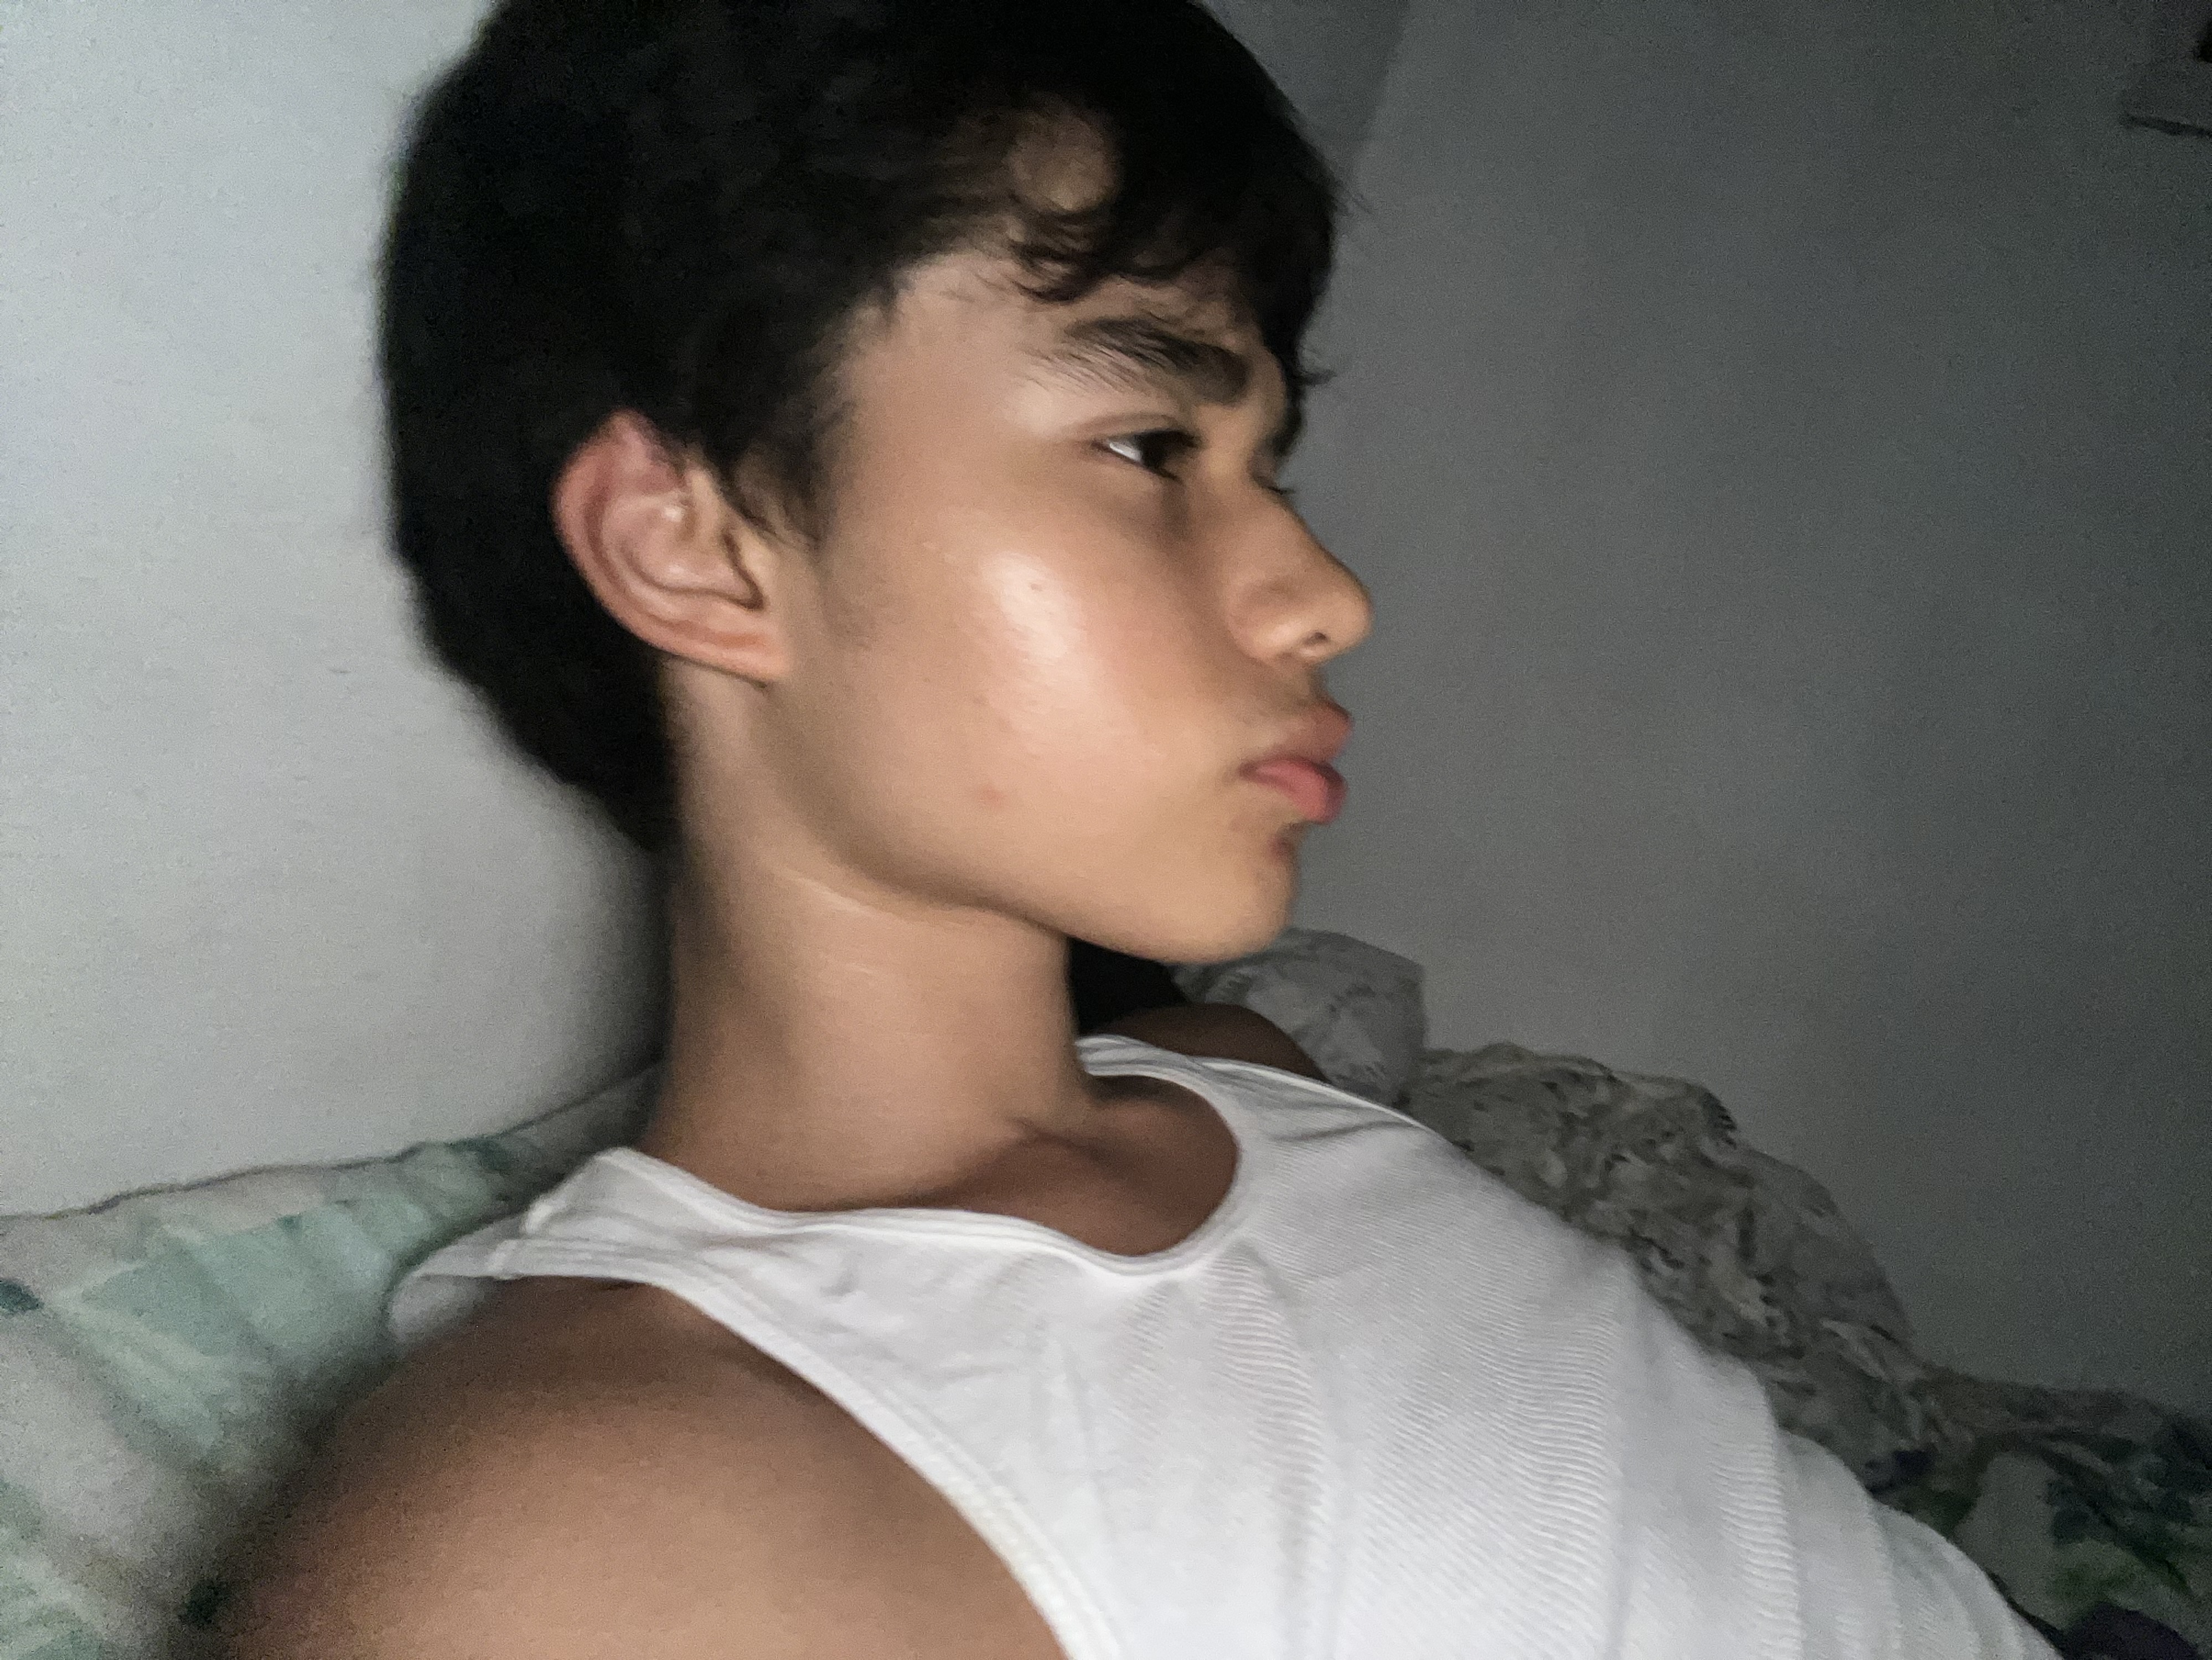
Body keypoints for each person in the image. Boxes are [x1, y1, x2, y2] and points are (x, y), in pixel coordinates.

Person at [215, 2, 2056, 1655]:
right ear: (696, 549)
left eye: (1270, 467)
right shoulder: (573, 1530)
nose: (1324, 596)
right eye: (1149, 448)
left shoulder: (1246, 1077)